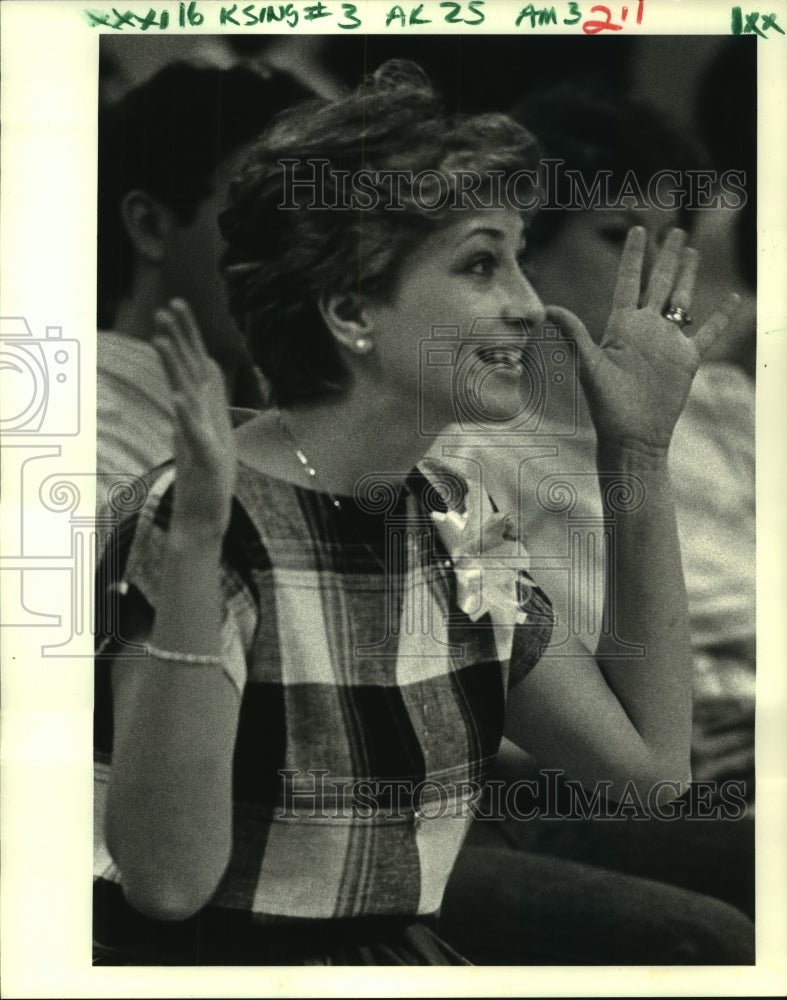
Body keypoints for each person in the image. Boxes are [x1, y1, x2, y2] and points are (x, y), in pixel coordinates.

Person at [93, 61, 745, 965]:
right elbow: (170, 886)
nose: (528, 306)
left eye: (520, 258)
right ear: (351, 305)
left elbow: (647, 778)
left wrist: (633, 452)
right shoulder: (196, 508)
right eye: (482, 263)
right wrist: (197, 544)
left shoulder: (453, 512)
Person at [436, 85, 755, 962]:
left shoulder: (724, 407)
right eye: (619, 239)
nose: (651, 282)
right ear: (520, 255)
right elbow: (501, 714)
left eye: (672, 245)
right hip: (612, 789)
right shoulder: (470, 459)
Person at [96, 61, 310, 494]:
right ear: (151, 225)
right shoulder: (90, 446)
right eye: (273, 214)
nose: (308, 255)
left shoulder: (287, 421)